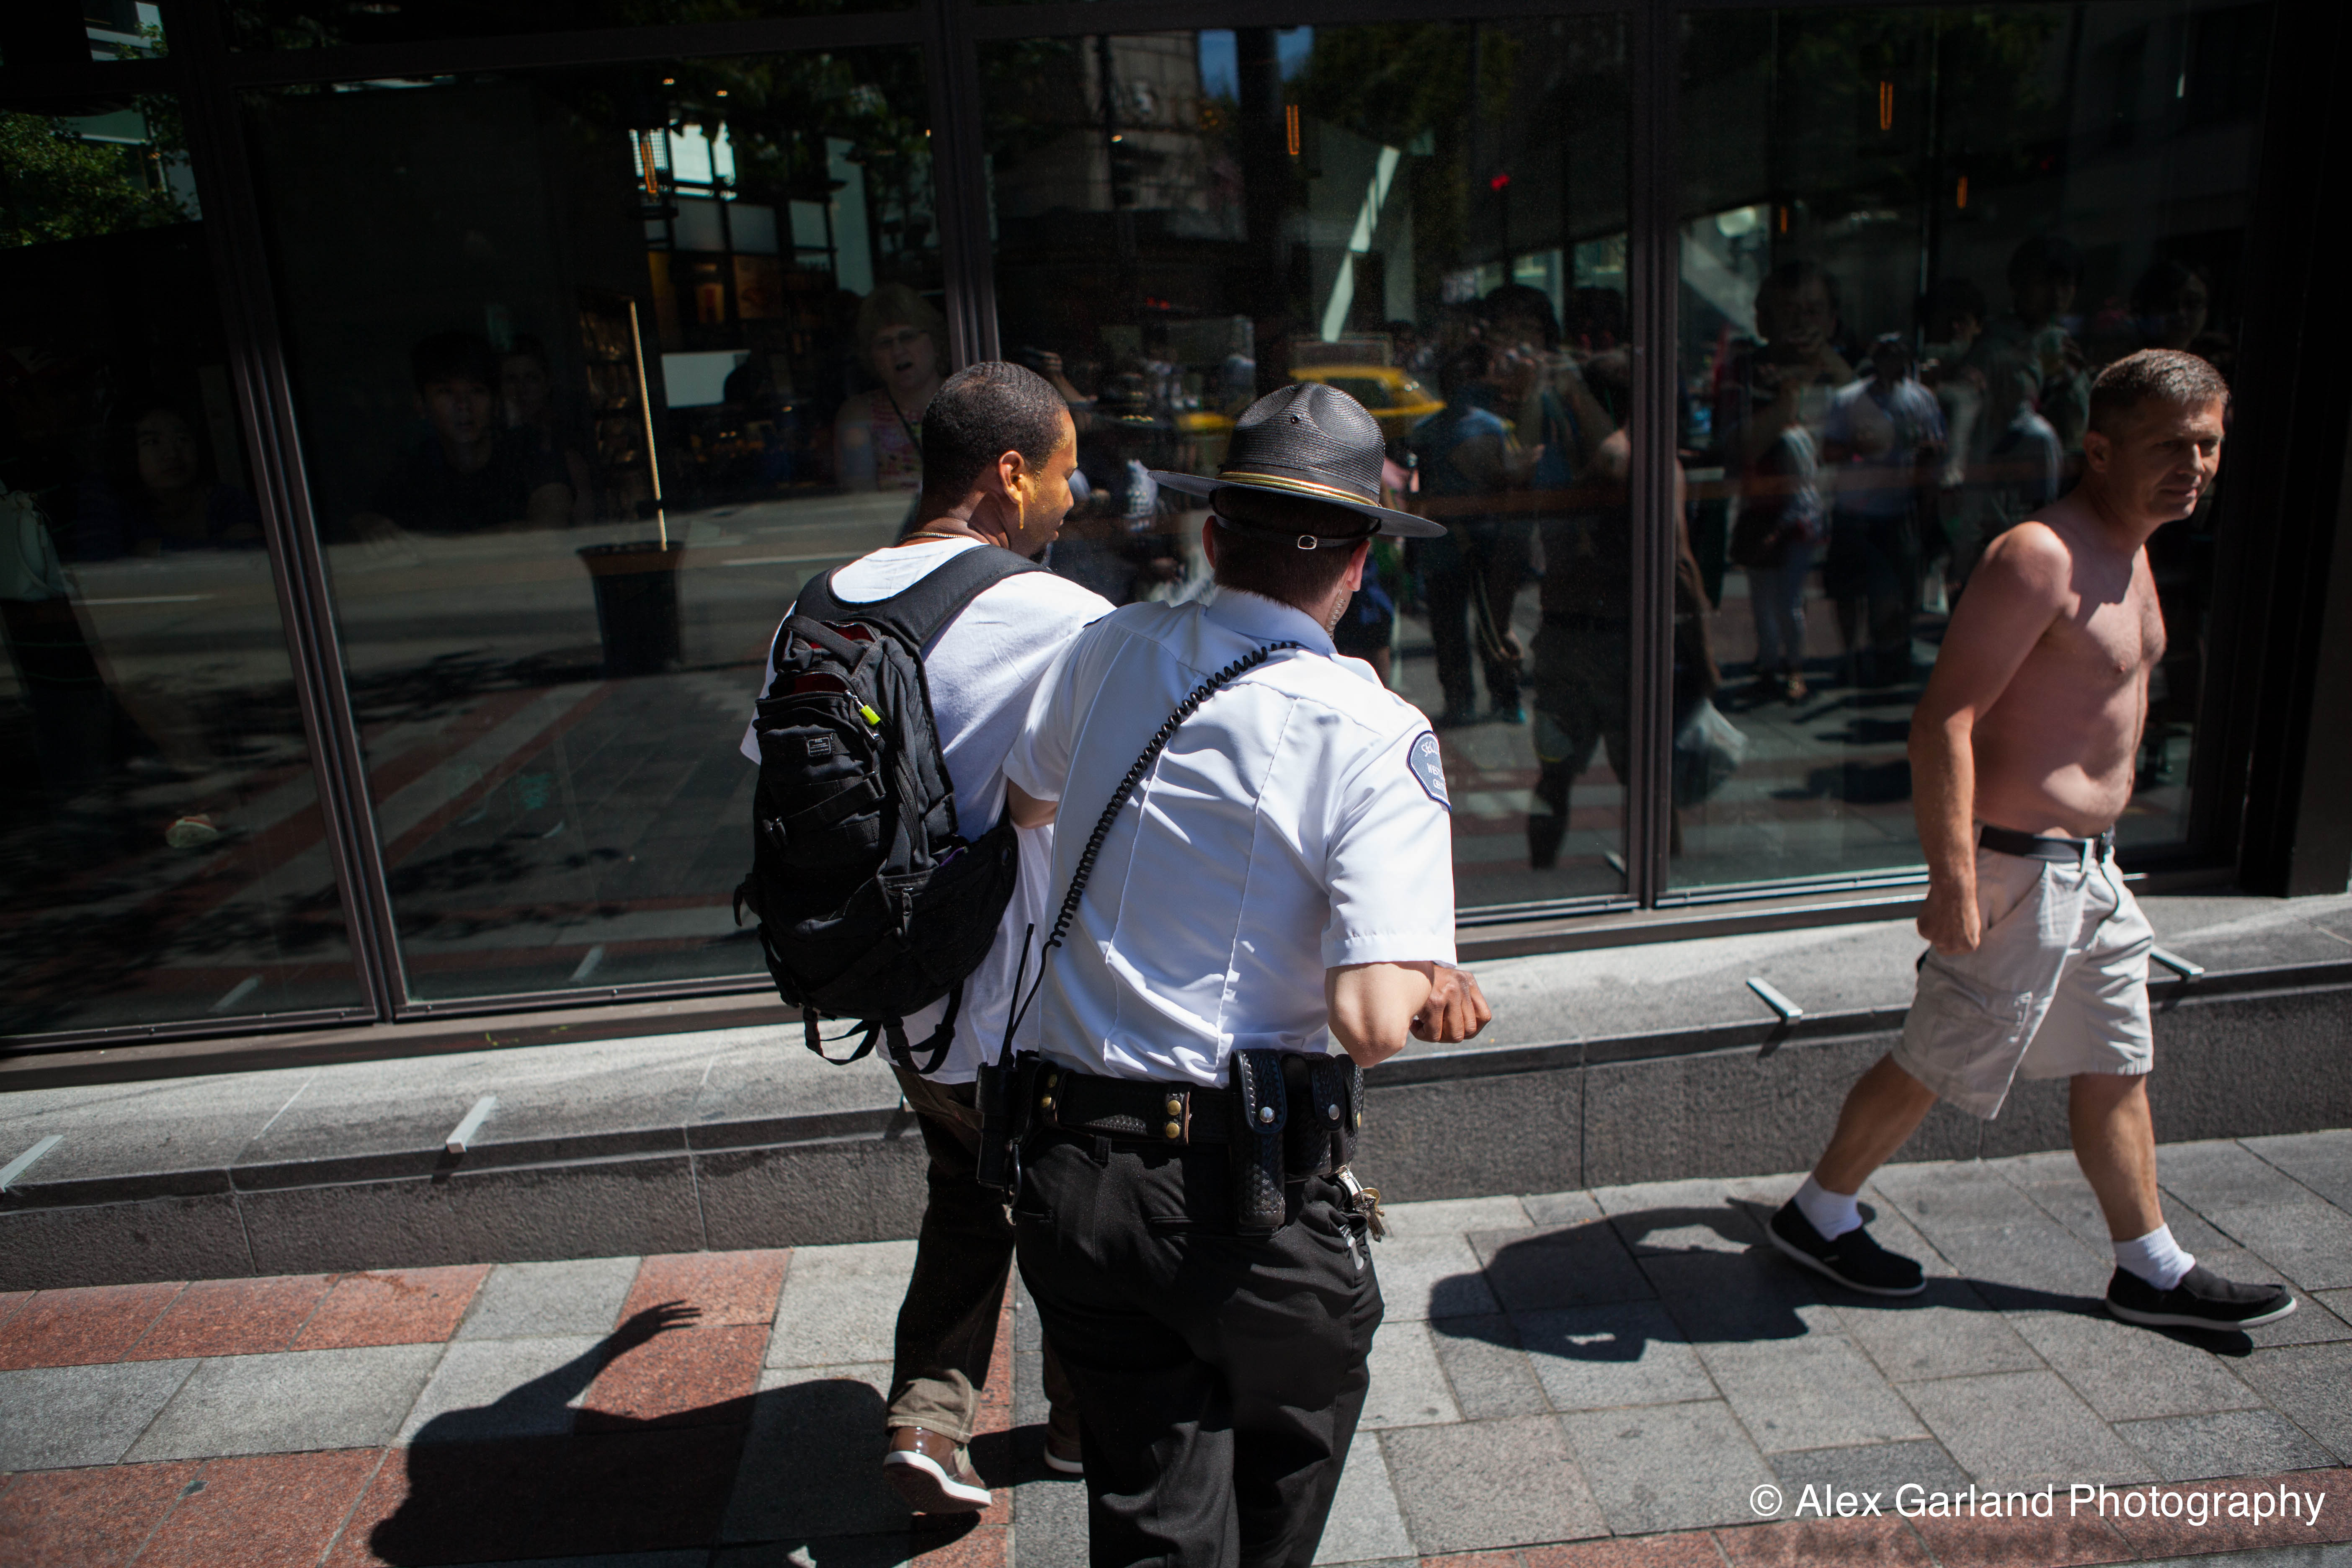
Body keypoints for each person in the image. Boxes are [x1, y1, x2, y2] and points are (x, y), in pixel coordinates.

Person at [999, 382, 1493, 1568]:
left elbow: (1027, 799)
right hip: (1237, 1197)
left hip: (1068, 1169)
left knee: (1150, 1507)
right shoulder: (1370, 728)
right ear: (1360, 567)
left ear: (1214, 539)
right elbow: (1370, 1021)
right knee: (1287, 1456)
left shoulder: (1108, 646)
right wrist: (1425, 970)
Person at [1768, 350, 2295, 1334]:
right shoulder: (2039, 557)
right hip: (2019, 866)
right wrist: (1953, 879)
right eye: (2167, 446)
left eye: (2207, 445)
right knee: (1937, 1057)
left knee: (2117, 1062)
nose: (2193, 466)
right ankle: (1818, 1211)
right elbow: (1943, 719)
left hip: (2092, 871)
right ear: (2098, 449)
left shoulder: (2134, 546)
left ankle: (2150, 1266)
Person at [738, 361, 1109, 1510]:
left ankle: (927, 1425)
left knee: (966, 1190)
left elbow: (778, 782)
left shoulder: (816, 606)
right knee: (1073, 1206)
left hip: (897, 988)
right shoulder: (1060, 616)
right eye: (1066, 470)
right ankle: (1083, 1427)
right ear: (1010, 473)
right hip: (1026, 999)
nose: (1078, 494)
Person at [1719, 262, 1850, 703]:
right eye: (1788, 312)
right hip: (1763, 513)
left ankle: (1793, 665)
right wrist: (1785, 402)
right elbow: (1739, 447)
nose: (1801, 324)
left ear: (1832, 320)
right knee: (1763, 600)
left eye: (1813, 312)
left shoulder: (1846, 373)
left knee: (1790, 601)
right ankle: (1770, 660)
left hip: (1807, 523)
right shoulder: (1746, 374)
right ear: (1764, 320)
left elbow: (1875, 431)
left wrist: (1831, 366)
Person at [1409, 341, 1535, 725]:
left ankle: (1500, 696)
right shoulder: (1433, 432)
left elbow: (1502, 485)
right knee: (1458, 628)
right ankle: (1467, 699)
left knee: (1487, 626)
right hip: (1452, 543)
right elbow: (1425, 492)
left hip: (1478, 541)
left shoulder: (1485, 428)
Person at [352, 331, 572, 541]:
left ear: (496, 403)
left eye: (476, 391)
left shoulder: (531, 452)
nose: (463, 405)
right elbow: (363, 523)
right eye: (446, 392)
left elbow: (550, 530)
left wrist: (430, 548)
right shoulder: (413, 470)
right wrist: (368, 523)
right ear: (421, 405)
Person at [1819, 333, 1946, 688]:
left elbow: (1937, 448)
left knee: (1896, 592)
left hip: (1898, 510)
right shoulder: (1848, 400)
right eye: (1885, 354)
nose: (1892, 361)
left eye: (1899, 354)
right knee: (1848, 591)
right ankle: (1850, 656)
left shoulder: (1920, 399)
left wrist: (1928, 484)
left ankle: (1891, 656)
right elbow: (1828, 451)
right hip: (1854, 510)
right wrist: (1858, 447)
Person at [836, 283, 948, 494]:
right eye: (885, 343)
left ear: (936, 342)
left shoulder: (967, 399)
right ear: (871, 357)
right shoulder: (859, 416)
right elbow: (860, 499)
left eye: (908, 337)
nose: (898, 351)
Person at [501, 335, 597, 524]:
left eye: (531, 379)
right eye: (512, 380)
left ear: (547, 383)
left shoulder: (567, 449)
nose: (521, 390)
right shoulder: (495, 450)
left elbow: (586, 524)